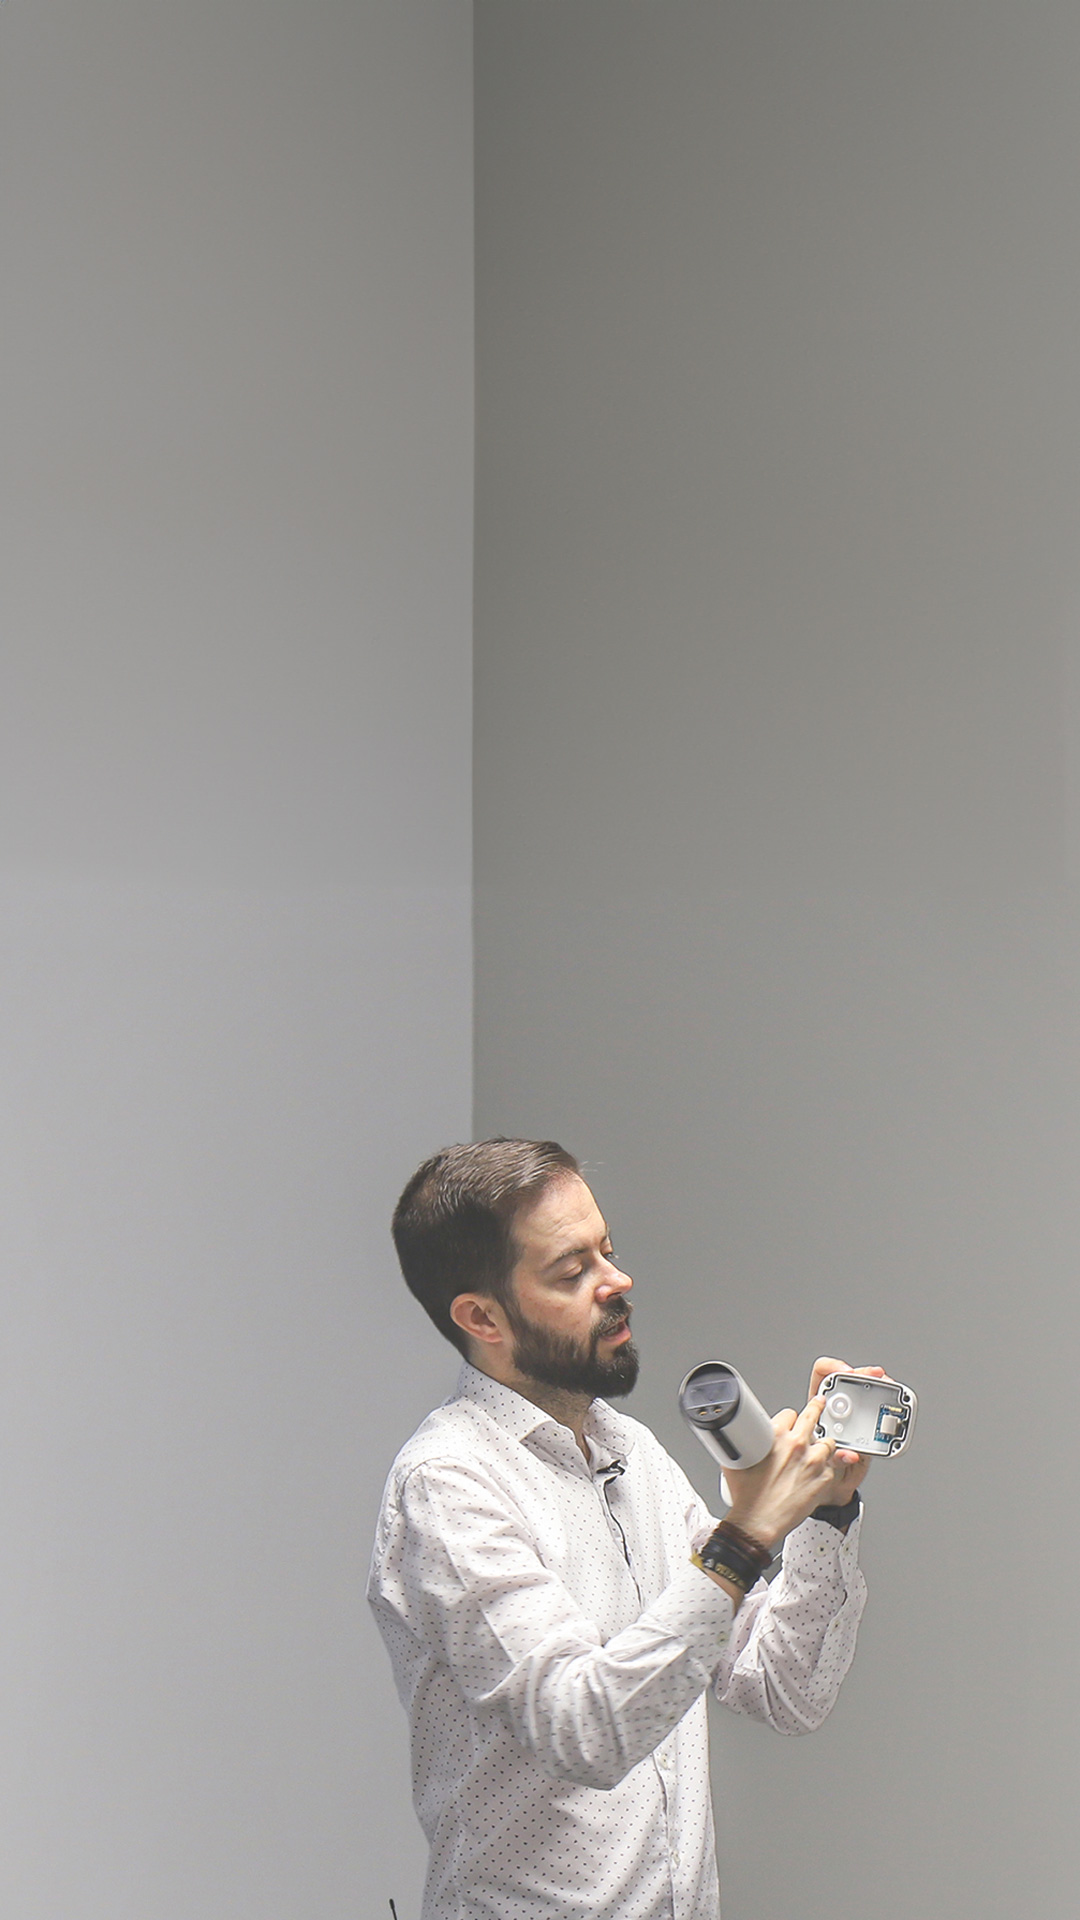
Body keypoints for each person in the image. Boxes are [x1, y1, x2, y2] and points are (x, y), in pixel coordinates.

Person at [368, 1138, 882, 1920]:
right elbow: (589, 1731)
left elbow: (785, 1690)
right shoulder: (447, 1484)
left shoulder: (630, 1452)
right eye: (571, 1271)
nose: (617, 1282)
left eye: (607, 1251)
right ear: (481, 1317)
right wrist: (747, 1533)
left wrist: (823, 1513)